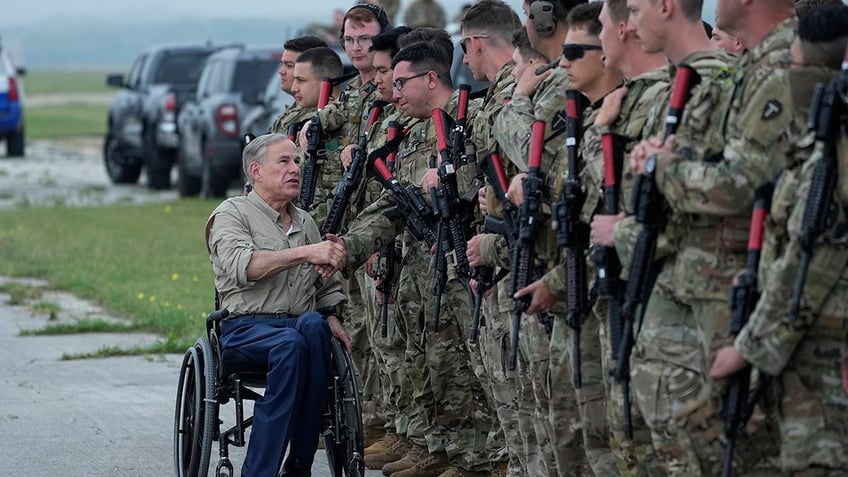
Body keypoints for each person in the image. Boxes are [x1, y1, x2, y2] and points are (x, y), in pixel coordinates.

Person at [615, 0, 803, 471]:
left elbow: (744, 183)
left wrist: (662, 166)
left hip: (745, 283)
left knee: (744, 445)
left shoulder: (778, 67)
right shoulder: (755, 67)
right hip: (718, 282)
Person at [341, 41, 495, 477]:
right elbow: (395, 202)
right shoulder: (411, 128)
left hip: (462, 260)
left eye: (401, 80)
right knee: (429, 359)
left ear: (431, 79)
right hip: (420, 262)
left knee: (469, 365)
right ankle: (441, 447)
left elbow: (483, 181)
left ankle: (481, 459)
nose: (392, 89)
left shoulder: (468, 121)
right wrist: (348, 246)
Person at [710, 4, 848, 474]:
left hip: (827, 372)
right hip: (802, 363)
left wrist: (748, 348)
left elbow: (813, 257)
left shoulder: (834, 162)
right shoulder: (817, 151)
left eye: (793, 67)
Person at [205, 133, 351, 477]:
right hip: (246, 328)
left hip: (299, 326)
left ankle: (299, 462)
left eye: (297, 161)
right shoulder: (231, 214)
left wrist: (331, 314)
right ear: (256, 171)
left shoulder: (305, 222)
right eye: (283, 162)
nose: (294, 169)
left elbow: (324, 283)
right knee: (291, 345)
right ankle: (259, 472)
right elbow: (245, 267)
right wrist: (305, 252)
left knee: (314, 329)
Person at [494, 1, 590, 475]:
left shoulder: (555, 83)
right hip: (546, 253)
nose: (525, 19)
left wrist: (516, 98)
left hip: (562, 259)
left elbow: (526, 151)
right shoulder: (555, 78)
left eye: (530, 11)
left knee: (563, 410)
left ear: (548, 20)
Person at [581, 0, 670, 473]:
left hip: (655, 289)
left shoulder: (660, 95)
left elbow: (640, 196)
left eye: (599, 28)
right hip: (624, 285)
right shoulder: (633, 95)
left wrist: (598, 132)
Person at [457, 1, 523, 475]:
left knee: (514, 384)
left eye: (465, 48)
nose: (465, 60)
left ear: (477, 43)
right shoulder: (510, 92)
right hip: (500, 251)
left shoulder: (508, 100)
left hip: (512, 256)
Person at [276, 47, 343, 143]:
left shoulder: (346, 119)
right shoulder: (299, 117)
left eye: (301, 80)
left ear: (325, 83)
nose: (294, 88)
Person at [270, 36, 329, 135]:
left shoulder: (323, 118)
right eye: (281, 65)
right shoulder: (292, 111)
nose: (281, 72)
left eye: (289, 66)